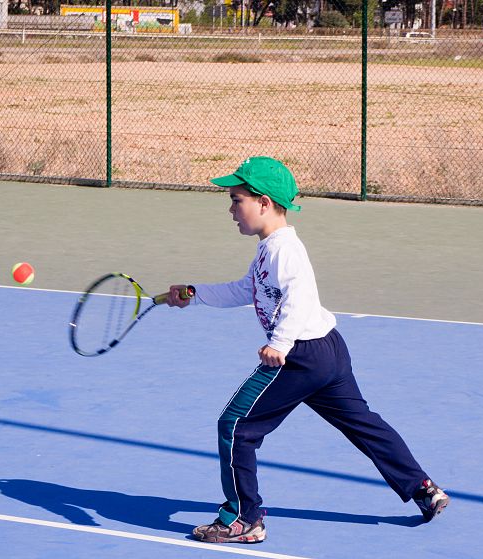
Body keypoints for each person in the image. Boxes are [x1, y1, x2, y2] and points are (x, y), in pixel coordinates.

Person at [165, 157, 449, 544]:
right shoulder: (270, 248)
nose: (231, 210)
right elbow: (243, 290)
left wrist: (279, 344)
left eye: (236, 200)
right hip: (328, 352)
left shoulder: (286, 251)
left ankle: (243, 519)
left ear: (263, 202)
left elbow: (297, 298)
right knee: (363, 424)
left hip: (299, 356)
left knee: (235, 427)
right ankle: (424, 489)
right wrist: (194, 294)